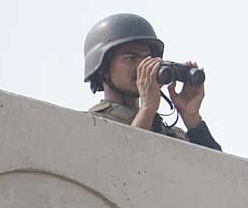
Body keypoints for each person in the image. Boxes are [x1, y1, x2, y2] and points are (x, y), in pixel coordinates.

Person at [83, 13, 221, 151]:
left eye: (148, 59)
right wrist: (148, 108)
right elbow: (125, 164)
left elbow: (220, 170)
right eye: (131, 58)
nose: (143, 67)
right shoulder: (91, 124)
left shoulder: (172, 134)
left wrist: (192, 118)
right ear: (103, 69)